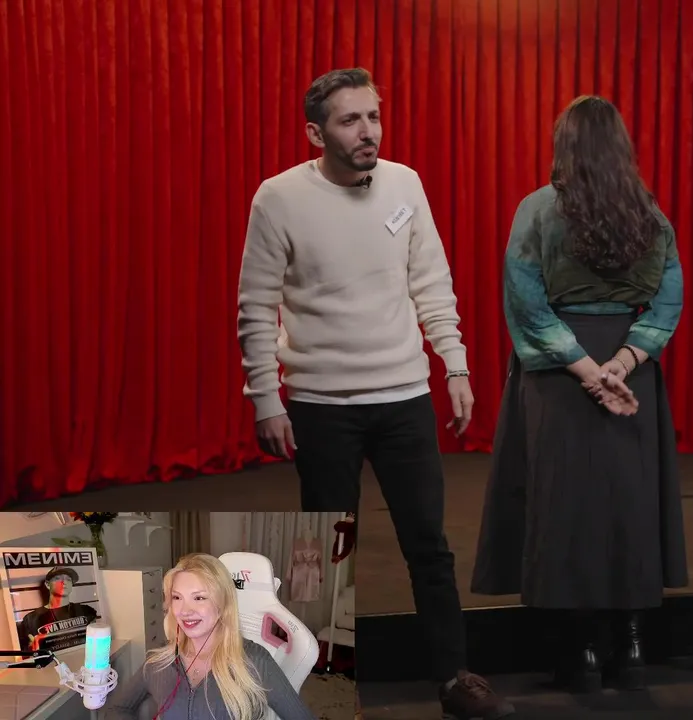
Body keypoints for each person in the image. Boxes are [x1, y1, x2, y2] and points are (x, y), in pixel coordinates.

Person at [235, 68, 513, 718]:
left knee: (429, 546)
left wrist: (455, 365)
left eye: (374, 117)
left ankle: (455, 679)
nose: (369, 132)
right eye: (350, 120)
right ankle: (316, 684)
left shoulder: (404, 184)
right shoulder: (279, 198)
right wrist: (265, 397)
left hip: (404, 397)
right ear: (316, 133)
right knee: (323, 553)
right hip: (321, 405)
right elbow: (256, 304)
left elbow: (431, 280)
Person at [470, 95, 689, 694]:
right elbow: (668, 301)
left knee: (567, 509)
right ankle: (631, 644)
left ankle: (580, 650)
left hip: (560, 378)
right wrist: (623, 362)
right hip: (629, 370)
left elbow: (526, 302)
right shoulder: (650, 214)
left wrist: (588, 371)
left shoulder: (538, 209)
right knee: (628, 504)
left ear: (562, 146)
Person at [102, 553, 314, 720]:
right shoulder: (159, 664)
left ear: (223, 604)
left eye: (199, 598)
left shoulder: (255, 661)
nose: (185, 611)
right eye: (177, 597)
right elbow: (117, 708)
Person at [18, 567, 99, 652]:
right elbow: (28, 652)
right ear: (47, 585)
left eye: (68, 579)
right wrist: (31, 649)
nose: (64, 582)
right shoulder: (31, 619)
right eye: (57, 578)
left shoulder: (87, 611)